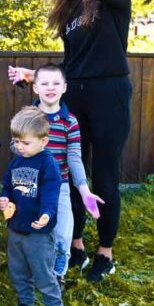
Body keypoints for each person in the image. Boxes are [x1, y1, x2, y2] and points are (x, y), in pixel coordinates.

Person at [8, 0, 131, 283]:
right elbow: (71, 65)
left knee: (105, 175)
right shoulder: (71, 14)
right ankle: (76, 245)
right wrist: (35, 77)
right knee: (69, 172)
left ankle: (104, 254)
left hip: (110, 95)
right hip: (74, 95)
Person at [31, 64, 104, 279]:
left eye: (55, 83)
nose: (50, 87)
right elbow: (15, 148)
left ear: (64, 87)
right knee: (35, 234)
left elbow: (74, 158)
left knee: (62, 234)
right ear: (35, 88)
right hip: (31, 187)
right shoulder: (28, 118)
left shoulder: (70, 122)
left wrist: (84, 190)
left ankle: (57, 277)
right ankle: (35, 276)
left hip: (60, 188)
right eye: (44, 83)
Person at [0, 107, 63, 306]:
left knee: (42, 272)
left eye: (25, 143)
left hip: (38, 232)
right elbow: (7, 185)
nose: (19, 147)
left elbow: (51, 194)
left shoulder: (48, 164)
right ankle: (26, 305)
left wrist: (46, 215)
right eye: (16, 142)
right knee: (18, 271)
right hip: (16, 227)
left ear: (43, 142)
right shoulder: (17, 161)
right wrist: (4, 198)